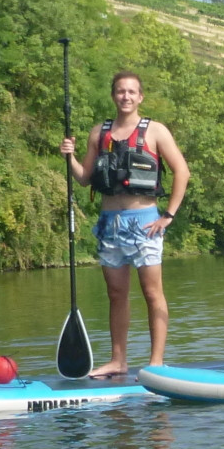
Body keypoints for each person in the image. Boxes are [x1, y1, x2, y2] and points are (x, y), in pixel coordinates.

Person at [60, 70, 191, 378]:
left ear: (140, 97)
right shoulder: (98, 133)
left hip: (145, 221)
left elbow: (182, 172)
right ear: (113, 95)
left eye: (132, 92)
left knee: (151, 292)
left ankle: (156, 361)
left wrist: (168, 215)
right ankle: (119, 360)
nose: (126, 97)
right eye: (121, 91)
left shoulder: (156, 131)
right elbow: (84, 179)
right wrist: (69, 158)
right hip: (110, 224)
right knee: (116, 294)